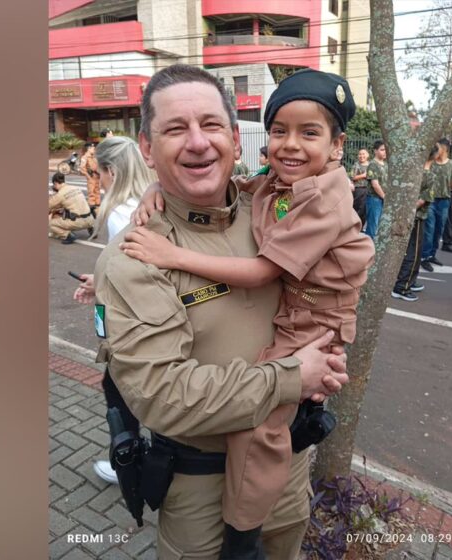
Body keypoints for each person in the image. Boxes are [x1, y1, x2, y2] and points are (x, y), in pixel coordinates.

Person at [94, 64, 350, 558]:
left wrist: (328, 359)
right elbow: (163, 396)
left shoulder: (272, 212)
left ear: (235, 138)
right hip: (203, 492)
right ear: (147, 148)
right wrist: (294, 376)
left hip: (288, 467)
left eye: (211, 125)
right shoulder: (138, 256)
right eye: (174, 129)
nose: (197, 142)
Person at [71, 135, 157, 484]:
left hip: (127, 318)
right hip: (151, 314)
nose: (98, 180)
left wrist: (99, 285)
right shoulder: (150, 203)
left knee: (117, 387)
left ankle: (128, 461)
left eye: (98, 173)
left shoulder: (121, 212)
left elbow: (131, 273)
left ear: (110, 170)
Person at [392, 146, 437, 301]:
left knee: (410, 251)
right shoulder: (429, 175)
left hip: (408, 215)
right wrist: (409, 211)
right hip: (416, 217)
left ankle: (409, 280)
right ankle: (402, 287)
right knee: (413, 253)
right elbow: (422, 200)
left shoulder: (410, 171)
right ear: (435, 156)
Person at [420, 138, 452, 269]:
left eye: (438, 147)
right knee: (429, 229)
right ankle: (424, 256)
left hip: (445, 201)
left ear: (445, 149)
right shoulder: (431, 163)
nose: (436, 150)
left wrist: (445, 186)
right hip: (430, 200)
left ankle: (432, 254)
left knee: (439, 229)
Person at [49, 171, 94, 244]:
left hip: (79, 222)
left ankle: (67, 235)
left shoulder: (60, 194)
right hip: (91, 219)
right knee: (79, 210)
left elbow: (49, 206)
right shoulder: (75, 188)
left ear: (55, 183)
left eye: (54, 185)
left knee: (51, 224)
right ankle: (91, 229)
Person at [364, 140, 387, 238]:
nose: (385, 152)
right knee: (373, 227)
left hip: (383, 199)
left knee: (381, 227)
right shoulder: (373, 165)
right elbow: (375, 184)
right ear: (375, 151)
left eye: (386, 150)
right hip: (374, 199)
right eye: (382, 150)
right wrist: (385, 197)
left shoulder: (386, 165)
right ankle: (369, 251)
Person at [79, 141, 101, 209]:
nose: (94, 150)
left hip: (97, 176)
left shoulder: (94, 157)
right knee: (91, 191)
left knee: (97, 190)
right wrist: (88, 176)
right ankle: (92, 204)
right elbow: (82, 168)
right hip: (91, 176)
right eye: (93, 148)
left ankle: (97, 203)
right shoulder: (84, 157)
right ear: (88, 148)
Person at [351, 148, 370, 225]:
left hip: (370, 190)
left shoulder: (371, 165)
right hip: (359, 189)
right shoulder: (356, 165)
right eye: (360, 154)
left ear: (367, 155)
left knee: (366, 209)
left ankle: (362, 226)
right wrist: (363, 175)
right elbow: (352, 177)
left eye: (363, 154)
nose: (361, 156)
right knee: (358, 208)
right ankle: (355, 225)